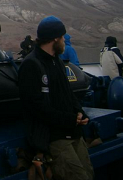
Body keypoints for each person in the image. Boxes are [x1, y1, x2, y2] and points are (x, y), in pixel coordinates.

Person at [18, 16, 94, 180]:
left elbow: (67, 94)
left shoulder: (56, 61)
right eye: (62, 37)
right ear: (55, 38)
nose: (64, 42)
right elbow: (36, 107)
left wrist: (80, 113)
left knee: (88, 173)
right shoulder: (32, 65)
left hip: (73, 131)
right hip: (55, 137)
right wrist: (70, 119)